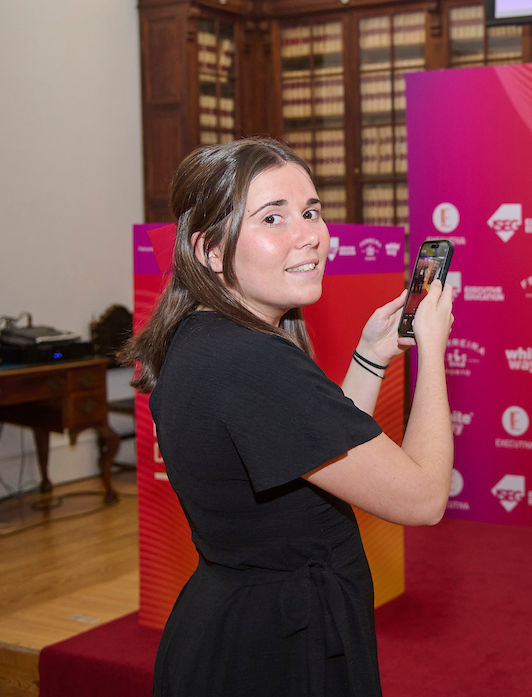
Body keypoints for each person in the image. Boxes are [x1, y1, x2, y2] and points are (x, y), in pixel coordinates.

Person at [121, 138, 454, 696]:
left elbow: (318, 449)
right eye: (272, 217)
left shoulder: (203, 338)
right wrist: (435, 353)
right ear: (207, 249)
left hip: (229, 626)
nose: (309, 236)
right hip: (281, 649)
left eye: (311, 212)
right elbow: (423, 498)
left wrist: (371, 354)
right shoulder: (254, 363)